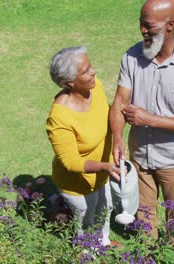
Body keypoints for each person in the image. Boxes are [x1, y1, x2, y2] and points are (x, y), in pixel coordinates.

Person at [109, 0, 174, 238]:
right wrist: (117, 139)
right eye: (141, 25)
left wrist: (148, 119)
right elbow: (120, 102)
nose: (143, 30)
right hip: (140, 158)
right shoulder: (132, 57)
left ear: (170, 25)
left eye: (148, 26)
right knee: (144, 218)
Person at [46, 46, 121, 246]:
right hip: (77, 184)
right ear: (70, 82)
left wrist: (119, 139)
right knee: (86, 219)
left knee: (105, 209)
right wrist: (104, 166)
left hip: (103, 171)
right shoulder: (59, 118)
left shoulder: (96, 87)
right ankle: (86, 252)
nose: (93, 72)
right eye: (86, 70)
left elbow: (108, 114)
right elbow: (71, 162)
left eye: (91, 66)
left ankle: (103, 242)